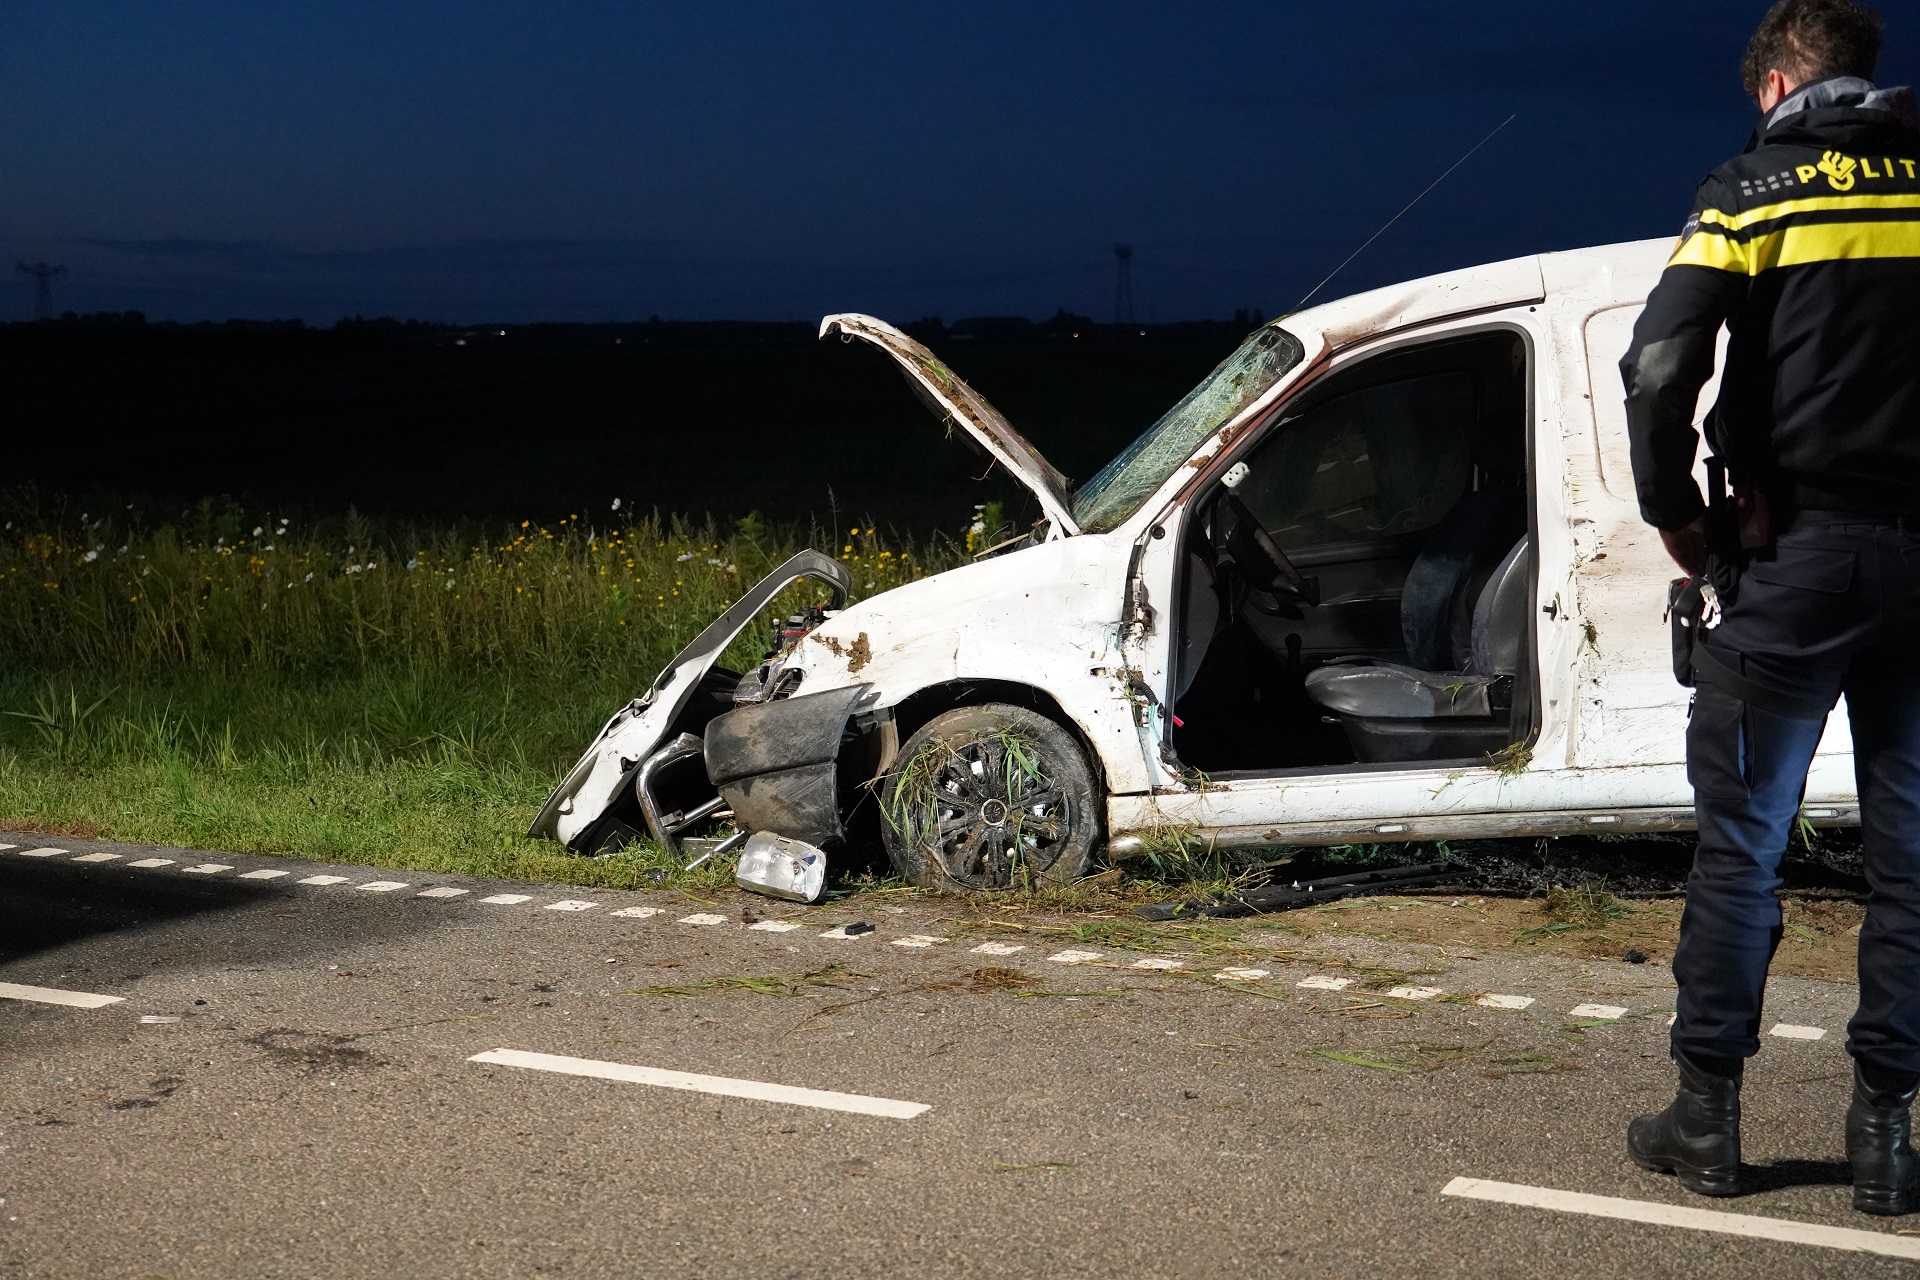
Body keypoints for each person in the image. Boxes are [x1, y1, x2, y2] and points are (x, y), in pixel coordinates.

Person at [1618, 0, 1920, 1213]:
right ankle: (1885, 1140)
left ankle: (1707, 1123)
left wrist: (1677, 514)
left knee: (1742, 850)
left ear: (1777, 85)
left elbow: (1658, 367)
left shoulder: (1751, 193)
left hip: (1791, 560)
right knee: (1912, 861)